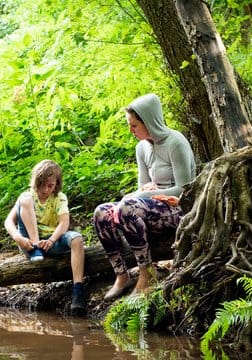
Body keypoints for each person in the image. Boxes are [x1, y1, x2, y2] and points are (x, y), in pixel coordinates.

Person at [93, 93, 196, 300]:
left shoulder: (176, 142)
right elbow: (142, 187)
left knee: (126, 207)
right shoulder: (141, 148)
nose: (131, 131)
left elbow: (185, 189)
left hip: (177, 209)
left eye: (134, 126)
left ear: (149, 121)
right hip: (150, 206)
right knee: (102, 212)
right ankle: (121, 275)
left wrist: (148, 193)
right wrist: (142, 192)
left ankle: (146, 273)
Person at [4, 159, 86, 313]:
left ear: (56, 184)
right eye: (42, 184)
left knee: (77, 239)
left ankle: (78, 290)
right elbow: (9, 221)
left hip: (51, 240)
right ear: (37, 181)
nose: (46, 189)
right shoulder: (27, 196)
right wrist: (17, 238)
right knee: (25, 200)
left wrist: (51, 240)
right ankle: (36, 248)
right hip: (29, 242)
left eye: (50, 185)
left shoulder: (59, 197)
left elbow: (64, 223)